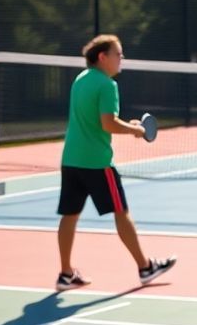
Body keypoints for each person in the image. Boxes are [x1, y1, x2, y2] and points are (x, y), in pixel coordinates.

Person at [56, 34, 176, 291]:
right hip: (97, 163)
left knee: (69, 216)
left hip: (71, 159)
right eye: (118, 54)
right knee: (121, 213)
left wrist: (129, 126)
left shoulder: (80, 80)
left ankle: (65, 273)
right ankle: (145, 267)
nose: (122, 59)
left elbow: (95, 121)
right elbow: (107, 123)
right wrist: (136, 131)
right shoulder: (107, 85)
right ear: (102, 57)